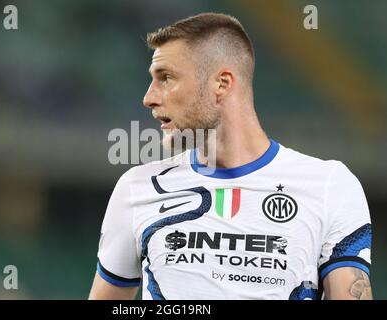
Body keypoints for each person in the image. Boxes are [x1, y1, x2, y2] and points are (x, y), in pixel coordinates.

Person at [89, 12, 372, 300]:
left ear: (222, 84)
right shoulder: (136, 188)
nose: (149, 97)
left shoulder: (329, 186)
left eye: (166, 78)